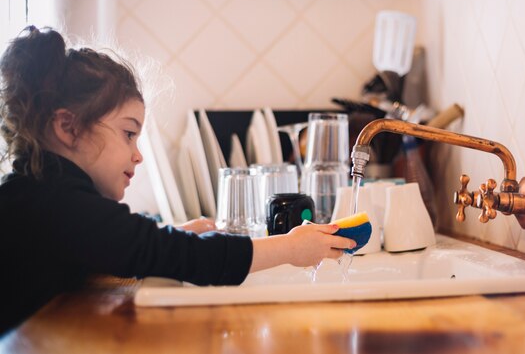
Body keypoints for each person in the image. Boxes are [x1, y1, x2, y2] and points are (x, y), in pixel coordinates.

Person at [0, 27, 355, 334]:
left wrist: (176, 234)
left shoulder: (39, 195)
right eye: (128, 134)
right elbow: (180, 256)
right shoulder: (59, 205)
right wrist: (291, 248)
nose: (138, 154)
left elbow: (126, 246)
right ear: (69, 127)